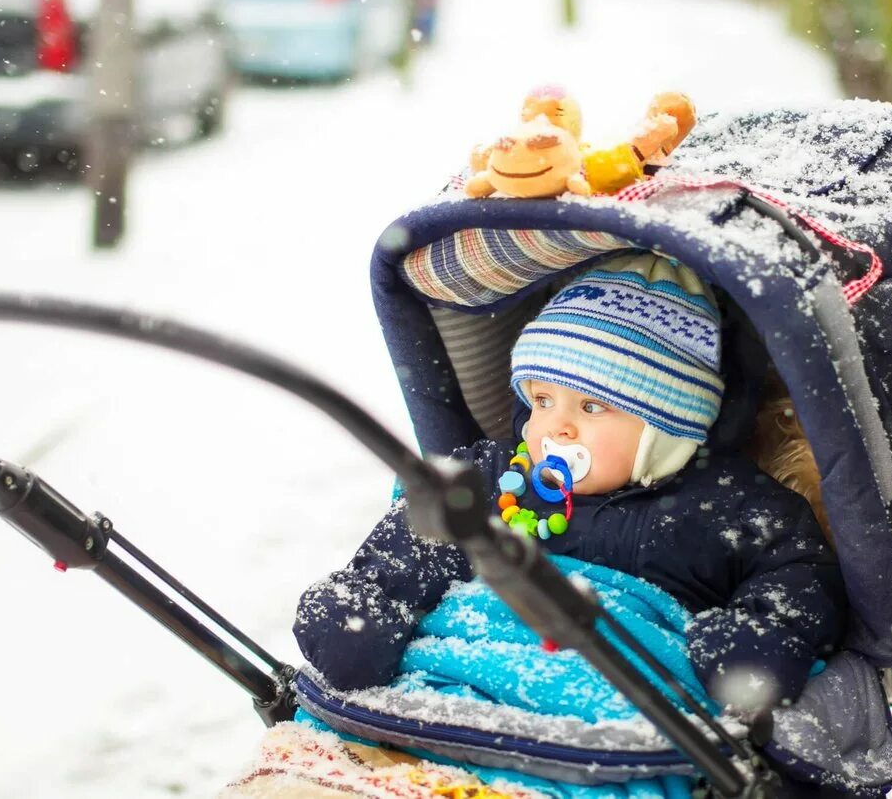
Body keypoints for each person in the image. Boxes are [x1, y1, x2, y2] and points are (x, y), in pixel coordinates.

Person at [293, 253, 846, 707]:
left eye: (590, 406)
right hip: (458, 693)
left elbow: (800, 580)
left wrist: (757, 643)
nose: (554, 424)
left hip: (616, 714)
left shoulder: (734, 508)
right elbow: (421, 542)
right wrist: (368, 604)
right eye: (541, 399)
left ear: (666, 429)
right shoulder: (493, 478)